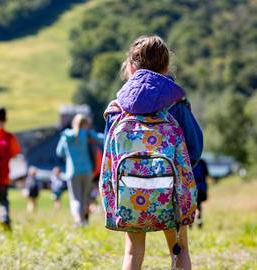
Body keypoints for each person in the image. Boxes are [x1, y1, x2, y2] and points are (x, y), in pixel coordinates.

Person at [101, 36, 203, 270]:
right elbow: (195, 148)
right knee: (179, 250)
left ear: (131, 67)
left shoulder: (117, 110)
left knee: (132, 252)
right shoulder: (176, 104)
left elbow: (110, 156)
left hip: (130, 193)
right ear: (167, 68)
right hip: (171, 192)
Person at [56, 114, 104, 227]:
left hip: (72, 172)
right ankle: (83, 222)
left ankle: (78, 220)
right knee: (85, 197)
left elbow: (59, 152)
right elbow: (102, 138)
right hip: (87, 171)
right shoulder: (87, 134)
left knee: (75, 198)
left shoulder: (66, 136)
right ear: (85, 124)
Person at [192, 158, 209, 228]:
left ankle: (191, 223)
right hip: (200, 187)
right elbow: (207, 174)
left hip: (192, 187)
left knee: (192, 206)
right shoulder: (202, 162)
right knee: (198, 206)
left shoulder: (190, 160)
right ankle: (198, 222)